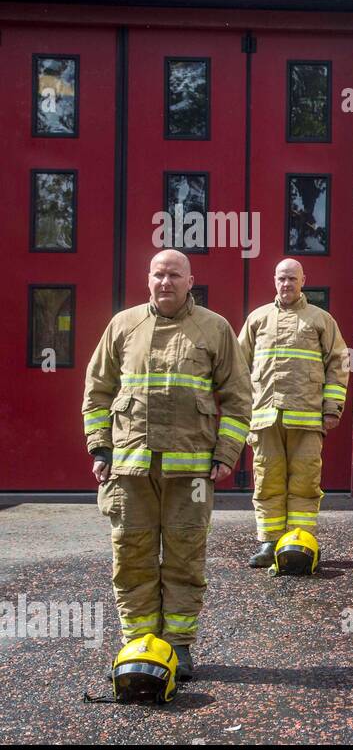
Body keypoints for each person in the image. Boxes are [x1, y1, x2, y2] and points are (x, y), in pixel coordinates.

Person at [82, 249, 251, 680]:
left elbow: (237, 397)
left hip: (191, 472)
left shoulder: (215, 329)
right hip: (130, 468)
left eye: (174, 275)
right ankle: (138, 643)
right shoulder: (123, 325)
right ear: (148, 279)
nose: (165, 282)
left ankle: (178, 645)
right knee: (131, 554)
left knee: (184, 557)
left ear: (190, 280)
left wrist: (225, 454)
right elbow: (98, 390)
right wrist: (100, 449)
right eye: (158, 274)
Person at [239, 259, 350, 567]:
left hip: (307, 417)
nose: (286, 284)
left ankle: (300, 542)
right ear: (274, 280)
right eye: (281, 278)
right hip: (264, 417)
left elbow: (340, 365)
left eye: (292, 279)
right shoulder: (258, 319)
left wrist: (332, 409)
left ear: (304, 281)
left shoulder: (321, 320)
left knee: (304, 482)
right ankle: (268, 542)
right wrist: (242, 411)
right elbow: (237, 367)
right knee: (267, 481)